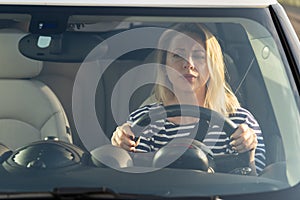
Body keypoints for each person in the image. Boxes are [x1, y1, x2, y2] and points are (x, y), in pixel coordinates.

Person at [111, 23, 266, 174]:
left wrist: (248, 152)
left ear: (212, 66)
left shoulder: (240, 123)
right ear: (164, 67)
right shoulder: (143, 121)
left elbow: (253, 187)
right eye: (178, 56)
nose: (189, 64)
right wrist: (121, 148)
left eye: (198, 56)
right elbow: (131, 180)